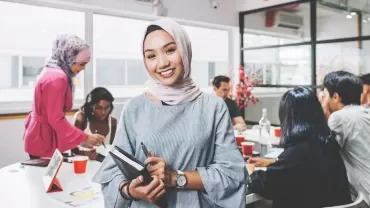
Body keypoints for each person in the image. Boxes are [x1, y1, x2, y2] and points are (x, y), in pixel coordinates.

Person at [93, 18, 247, 208]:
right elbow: (112, 171)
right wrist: (128, 190)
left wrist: (174, 177)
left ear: (184, 50)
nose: (162, 63)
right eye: (151, 56)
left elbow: (232, 174)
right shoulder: (134, 108)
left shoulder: (213, 107)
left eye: (170, 50)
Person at [246, 87, 351, 208]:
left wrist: (251, 170)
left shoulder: (298, 152)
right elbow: (306, 167)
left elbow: (265, 186)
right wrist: (275, 162)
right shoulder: (327, 143)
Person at [23, 34, 104, 159]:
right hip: (44, 139)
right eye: (81, 64)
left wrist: (81, 139)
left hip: (39, 135)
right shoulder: (58, 78)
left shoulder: (51, 70)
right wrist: (85, 138)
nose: (83, 69)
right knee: (46, 177)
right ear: (69, 58)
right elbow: (56, 118)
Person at [321, 71, 370, 207]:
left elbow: (323, 154)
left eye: (324, 96)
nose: (323, 100)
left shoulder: (339, 118)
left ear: (335, 97)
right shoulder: (364, 113)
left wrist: (323, 114)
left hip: (363, 196)